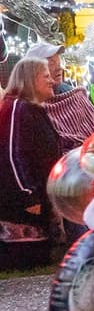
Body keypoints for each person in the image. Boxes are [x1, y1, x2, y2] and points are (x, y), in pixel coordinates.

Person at [0, 57, 62, 234]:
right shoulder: (17, 108)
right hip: (23, 210)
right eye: (46, 76)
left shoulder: (33, 109)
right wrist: (27, 195)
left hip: (38, 204)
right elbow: (13, 155)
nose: (52, 81)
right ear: (30, 79)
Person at [25, 41, 94, 149]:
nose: (59, 68)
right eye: (51, 64)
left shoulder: (73, 94)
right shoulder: (27, 108)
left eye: (58, 62)